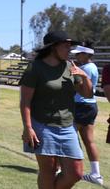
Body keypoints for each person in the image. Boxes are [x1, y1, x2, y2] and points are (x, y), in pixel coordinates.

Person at [20, 31, 94, 189]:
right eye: (66, 46)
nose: (70, 49)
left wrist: (84, 76)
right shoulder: (35, 68)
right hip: (42, 125)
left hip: (68, 126)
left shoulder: (70, 66)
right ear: (53, 47)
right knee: (49, 170)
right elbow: (25, 101)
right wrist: (28, 128)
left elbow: (87, 94)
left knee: (76, 173)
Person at [71, 43, 103, 185]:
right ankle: (96, 174)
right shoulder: (90, 67)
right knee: (88, 140)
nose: (76, 56)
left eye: (79, 54)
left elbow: (81, 87)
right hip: (88, 106)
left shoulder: (87, 69)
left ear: (86, 54)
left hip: (82, 105)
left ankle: (64, 168)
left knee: (68, 135)